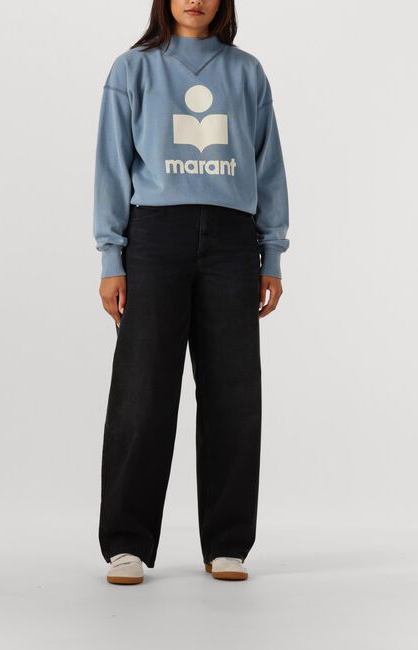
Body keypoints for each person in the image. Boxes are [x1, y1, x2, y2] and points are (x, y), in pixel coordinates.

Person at [93, 0, 289, 585]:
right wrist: (111, 255)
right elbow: (111, 164)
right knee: (143, 388)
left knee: (233, 390)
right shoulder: (133, 69)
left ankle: (227, 542)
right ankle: (127, 542)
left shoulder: (247, 72)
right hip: (154, 235)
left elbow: (268, 164)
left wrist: (271, 251)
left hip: (232, 241)